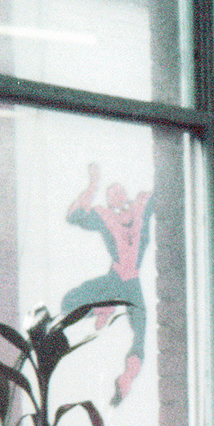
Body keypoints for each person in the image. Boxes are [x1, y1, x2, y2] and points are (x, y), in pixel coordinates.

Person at [62, 163, 154, 406]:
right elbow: (73, 215)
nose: (116, 194)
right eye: (111, 193)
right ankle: (102, 308)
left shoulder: (141, 206)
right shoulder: (104, 216)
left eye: (119, 190)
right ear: (108, 200)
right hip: (114, 279)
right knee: (69, 302)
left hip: (132, 284)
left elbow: (164, 195)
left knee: (140, 333)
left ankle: (126, 380)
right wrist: (93, 184)